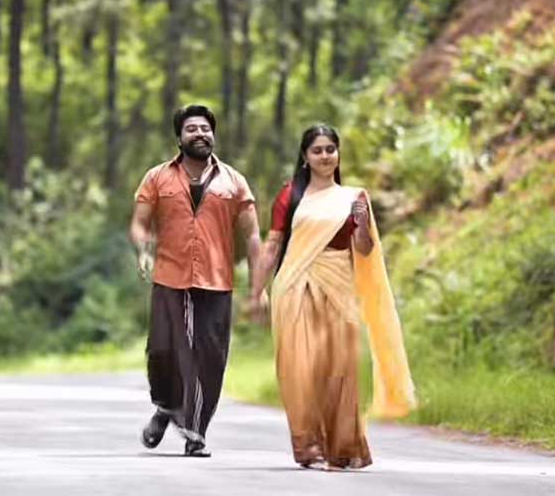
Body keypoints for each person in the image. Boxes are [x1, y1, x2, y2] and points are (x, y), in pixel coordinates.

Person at [249, 124, 416, 470]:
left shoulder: (353, 198)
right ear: (305, 157)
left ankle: (343, 447)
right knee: (300, 368)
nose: (325, 156)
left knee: (339, 368)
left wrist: (362, 224)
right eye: (317, 150)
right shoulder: (290, 194)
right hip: (294, 286)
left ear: (338, 154)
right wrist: (256, 292)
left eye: (330, 149)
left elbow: (364, 249)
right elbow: (273, 245)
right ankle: (309, 445)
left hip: (339, 285)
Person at [130, 104, 261, 457]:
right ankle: (166, 406)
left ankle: (195, 431)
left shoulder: (234, 182)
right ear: (179, 138)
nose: (200, 134)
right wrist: (143, 250)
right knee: (164, 351)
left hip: (216, 281)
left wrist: (259, 287)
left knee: (209, 357)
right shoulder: (157, 177)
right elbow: (140, 223)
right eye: (192, 129)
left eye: (205, 128)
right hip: (170, 277)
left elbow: (252, 235)